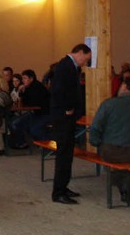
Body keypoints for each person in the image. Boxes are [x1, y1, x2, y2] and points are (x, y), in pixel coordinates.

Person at [89, 79, 130, 204]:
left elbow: (96, 126)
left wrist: (95, 143)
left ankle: (117, 182)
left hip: (109, 150)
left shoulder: (109, 104)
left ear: (125, 87)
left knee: (114, 162)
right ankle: (125, 188)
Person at [50, 43, 91, 205]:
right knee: (63, 153)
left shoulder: (70, 66)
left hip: (67, 117)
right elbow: (59, 90)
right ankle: (58, 192)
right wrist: (68, 108)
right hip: (63, 116)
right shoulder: (64, 66)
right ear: (80, 53)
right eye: (85, 59)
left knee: (67, 154)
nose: (85, 63)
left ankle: (63, 186)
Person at [10, 69, 51, 148]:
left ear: (31, 79)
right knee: (15, 123)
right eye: (23, 78)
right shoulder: (27, 87)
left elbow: (32, 103)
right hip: (35, 112)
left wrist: (24, 91)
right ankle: (22, 143)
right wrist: (22, 92)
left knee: (34, 129)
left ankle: (49, 145)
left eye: (25, 78)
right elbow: (25, 101)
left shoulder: (37, 87)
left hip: (45, 113)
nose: (23, 80)